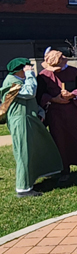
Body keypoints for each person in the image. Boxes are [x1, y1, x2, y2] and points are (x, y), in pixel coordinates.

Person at [1, 58, 62, 197]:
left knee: (34, 149)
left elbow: (29, 100)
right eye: (27, 67)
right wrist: (30, 75)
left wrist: (40, 111)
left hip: (29, 118)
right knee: (24, 153)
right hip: (20, 121)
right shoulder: (11, 82)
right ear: (20, 69)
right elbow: (29, 92)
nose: (30, 69)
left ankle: (34, 179)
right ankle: (23, 188)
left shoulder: (19, 81)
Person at [37, 49, 77, 184]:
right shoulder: (43, 76)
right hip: (55, 114)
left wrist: (73, 94)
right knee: (60, 141)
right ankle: (64, 170)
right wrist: (53, 99)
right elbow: (39, 95)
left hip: (75, 112)